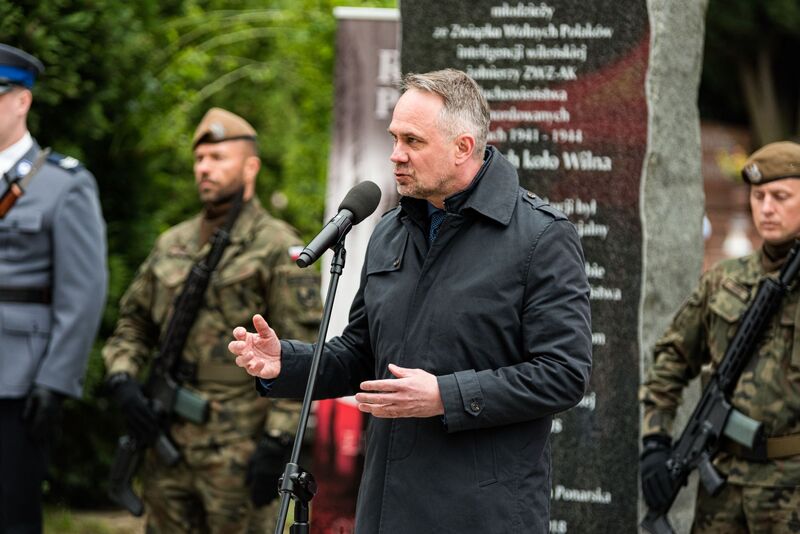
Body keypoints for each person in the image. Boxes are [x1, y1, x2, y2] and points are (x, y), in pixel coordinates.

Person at [229, 69, 592, 533]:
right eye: (393, 138)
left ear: (464, 146)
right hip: (386, 511)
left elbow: (563, 375)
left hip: (483, 516)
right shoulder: (389, 231)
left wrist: (445, 396)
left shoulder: (541, 237)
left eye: (413, 142)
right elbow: (361, 355)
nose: (396, 155)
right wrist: (287, 364)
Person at [102, 107, 321, 533]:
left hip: (239, 448)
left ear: (251, 166)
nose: (205, 168)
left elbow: (302, 353)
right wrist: (124, 379)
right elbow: (133, 323)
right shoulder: (173, 243)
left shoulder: (278, 246)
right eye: (200, 159)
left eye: (218, 158)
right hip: (168, 442)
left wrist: (278, 441)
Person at [639, 141, 800, 532]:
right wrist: (655, 443)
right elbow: (671, 359)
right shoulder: (724, 281)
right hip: (722, 487)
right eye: (758, 196)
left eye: (781, 197)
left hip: (791, 489)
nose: (766, 208)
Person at [0, 43, 107, 533]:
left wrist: (55, 382)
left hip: (19, 379)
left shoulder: (64, 184)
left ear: (21, 101)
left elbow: (82, 294)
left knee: (12, 514)